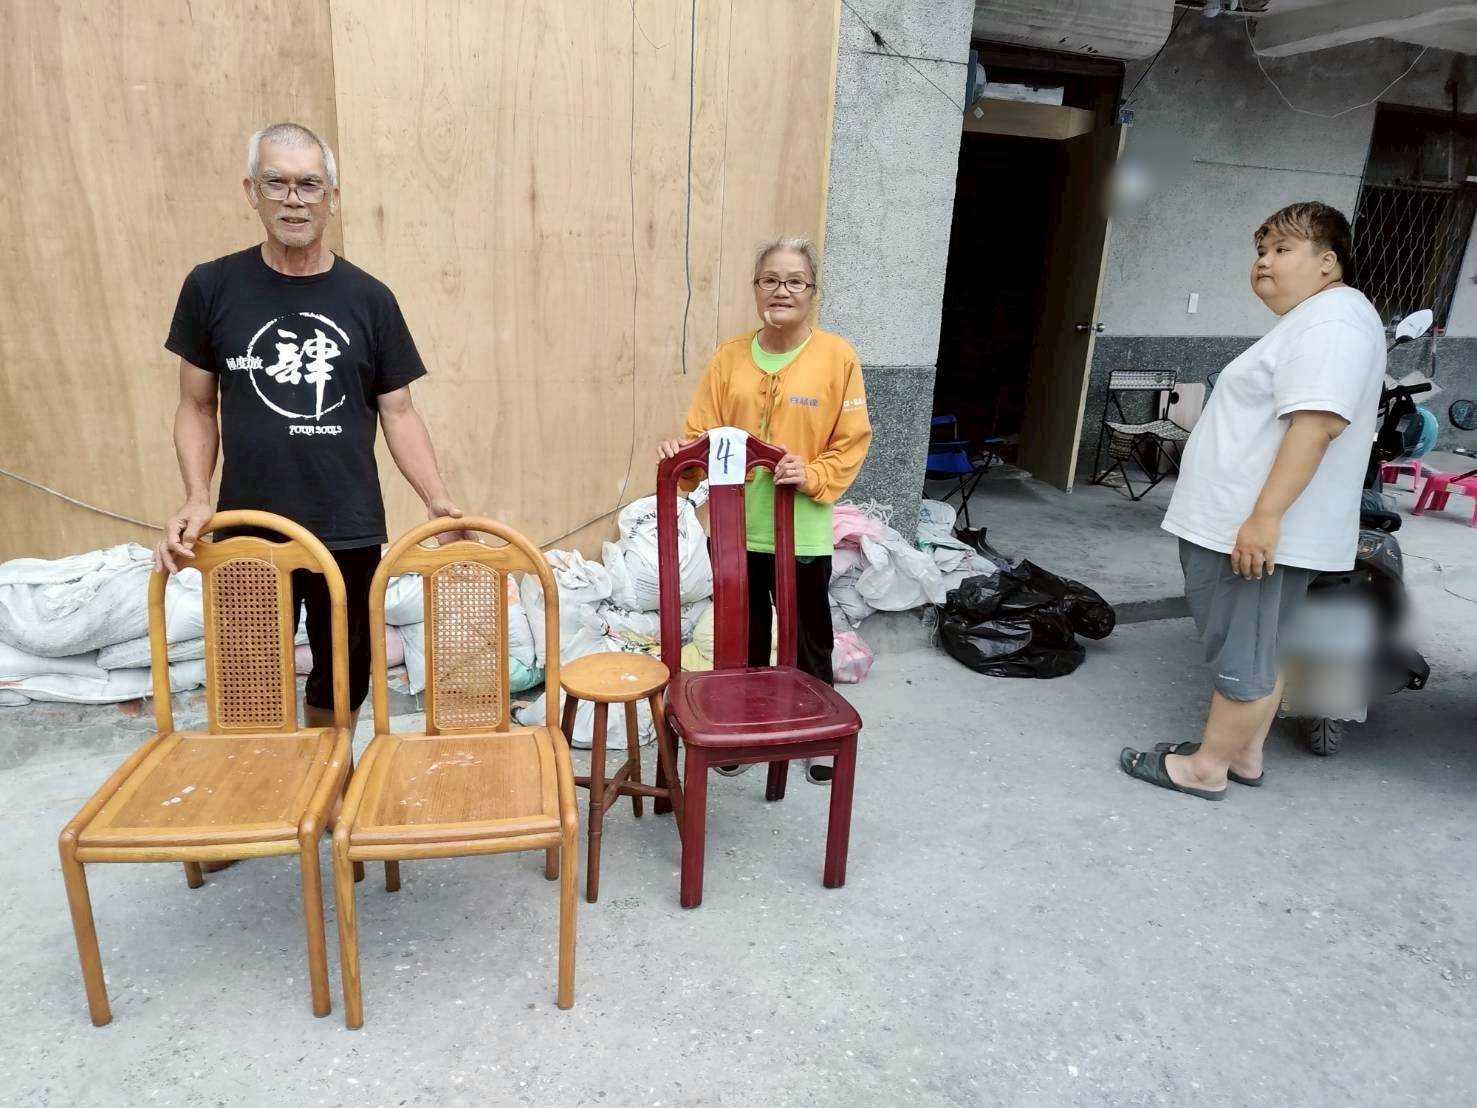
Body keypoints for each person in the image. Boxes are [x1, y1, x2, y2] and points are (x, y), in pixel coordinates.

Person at [157, 122, 463, 737]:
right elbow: (196, 405)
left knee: (343, 676)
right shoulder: (211, 286)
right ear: (252, 191)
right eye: (277, 183)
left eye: (309, 185)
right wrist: (196, 496)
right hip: (250, 526)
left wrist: (438, 500)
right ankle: (270, 779)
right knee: (250, 677)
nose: (293, 200)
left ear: (332, 197)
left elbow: (399, 411)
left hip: (347, 525)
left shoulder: (369, 299)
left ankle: (330, 776)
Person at [1120, 201, 1384, 800]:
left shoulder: (1332, 322)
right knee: (1263, 642)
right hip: (1250, 522)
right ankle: (1243, 753)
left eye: (1282, 250)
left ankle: (1205, 768)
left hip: (1253, 526)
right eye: (1260, 251)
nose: (1263, 262)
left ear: (1327, 261)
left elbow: (1316, 425)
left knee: (1242, 646)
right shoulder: (1320, 318)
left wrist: (1265, 519)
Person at [659, 236, 871, 784]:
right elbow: (700, 435)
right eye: (770, 280)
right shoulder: (729, 357)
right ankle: (739, 731)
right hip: (734, 528)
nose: (782, 291)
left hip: (802, 526)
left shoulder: (837, 357)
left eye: (795, 281)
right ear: (756, 289)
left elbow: (851, 440)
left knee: (809, 633)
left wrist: (813, 473)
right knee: (742, 636)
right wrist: (682, 456)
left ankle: (816, 737)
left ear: (812, 291)